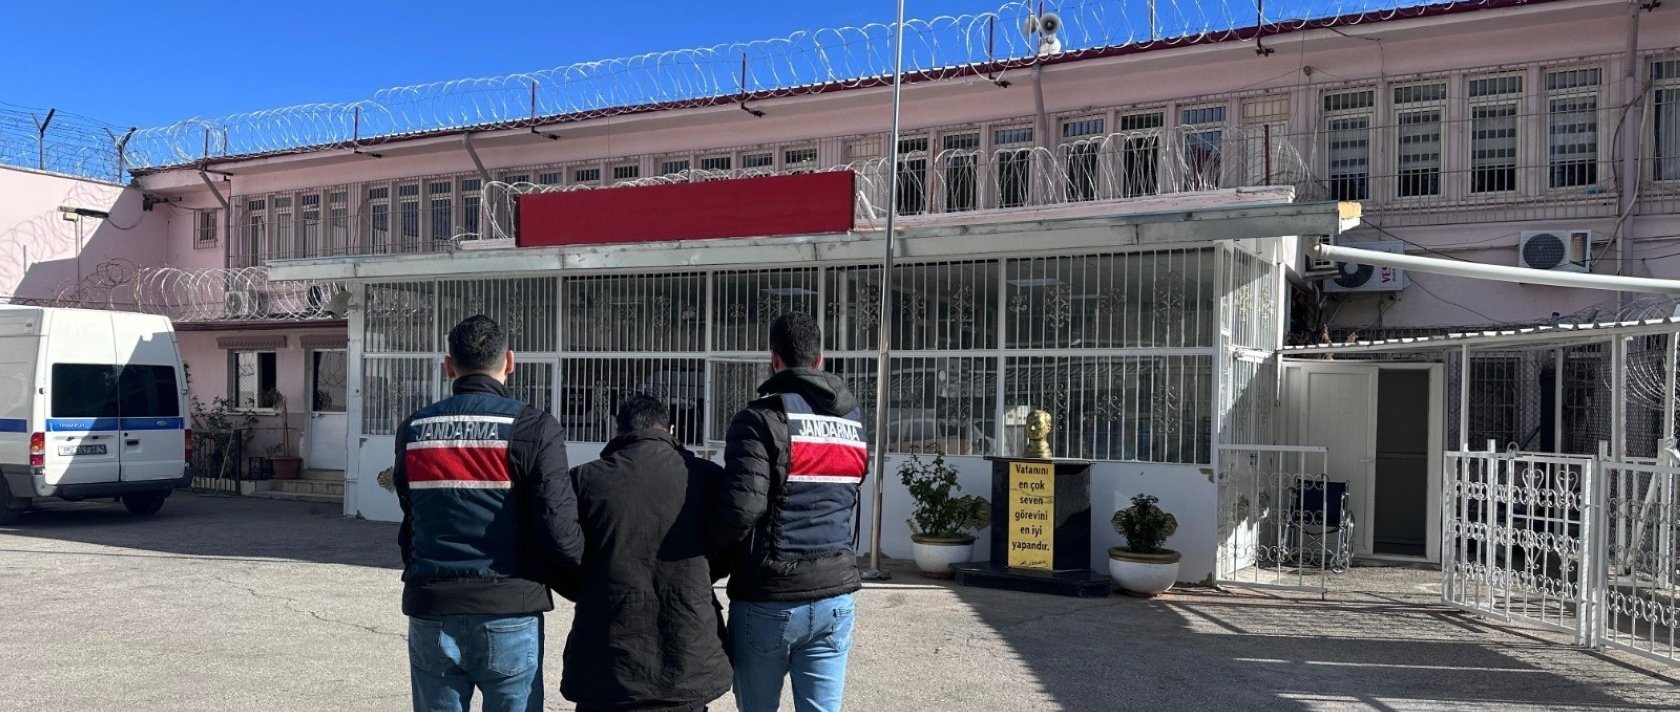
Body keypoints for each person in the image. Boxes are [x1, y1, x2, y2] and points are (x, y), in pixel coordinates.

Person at [394, 314, 583, 712]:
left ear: (449, 366)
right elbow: (559, 529)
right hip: (509, 610)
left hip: (432, 607)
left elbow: (411, 514)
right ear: (509, 361)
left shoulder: (413, 430)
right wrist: (586, 581)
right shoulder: (533, 427)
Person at [712, 312, 869, 712]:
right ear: (820, 359)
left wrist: (705, 561)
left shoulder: (759, 420)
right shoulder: (852, 422)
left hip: (770, 596)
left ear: (774, 359)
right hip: (836, 594)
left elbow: (741, 509)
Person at [560, 394, 732, 712]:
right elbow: (730, 542)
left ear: (617, 431)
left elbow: (561, 551)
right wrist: (703, 578)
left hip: (607, 658)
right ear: (671, 430)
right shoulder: (706, 477)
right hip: (686, 655)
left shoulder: (585, 479)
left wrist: (589, 588)